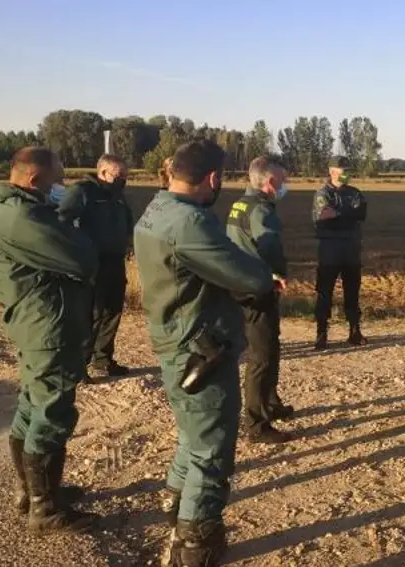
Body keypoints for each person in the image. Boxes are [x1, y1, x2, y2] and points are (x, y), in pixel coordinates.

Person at [133, 139, 275, 565]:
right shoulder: (190, 222)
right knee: (212, 447)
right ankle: (196, 543)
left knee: (192, 434)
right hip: (200, 346)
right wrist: (261, 273)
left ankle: (175, 504)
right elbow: (249, 277)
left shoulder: (156, 209)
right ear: (213, 178)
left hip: (174, 335)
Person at [0, 146, 98, 533]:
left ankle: (31, 491)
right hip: (48, 326)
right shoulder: (22, 216)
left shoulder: (16, 209)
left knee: (33, 403)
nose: (60, 184)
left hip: (38, 322)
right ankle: (44, 509)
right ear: (34, 180)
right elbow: (83, 260)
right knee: (52, 411)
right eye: (57, 178)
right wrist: (74, 219)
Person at [226, 156, 294, 444]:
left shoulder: (240, 203)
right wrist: (280, 273)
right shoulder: (262, 210)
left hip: (241, 282)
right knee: (262, 356)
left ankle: (271, 402)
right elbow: (269, 245)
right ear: (270, 182)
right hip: (258, 286)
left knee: (271, 345)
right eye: (282, 179)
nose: (284, 184)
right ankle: (256, 423)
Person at [58, 154, 134, 381]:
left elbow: (127, 221)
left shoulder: (117, 196)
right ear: (102, 173)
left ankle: (103, 359)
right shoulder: (82, 192)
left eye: (126, 176)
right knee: (90, 314)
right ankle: (79, 365)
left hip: (115, 261)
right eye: (119, 176)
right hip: (92, 263)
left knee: (113, 310)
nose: (124, 180)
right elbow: (61, 222)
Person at [312, 155, 368, 350]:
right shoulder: (323, 194)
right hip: (329, 251)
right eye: (344, 171)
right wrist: (348, 215)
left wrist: (338, 214)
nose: (347, 175)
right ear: (332, 171)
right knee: (324, 294)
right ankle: (321, 333)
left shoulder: (355, 193)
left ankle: (354, 331)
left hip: (351, 250)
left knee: (352, 293)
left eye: (349, 171)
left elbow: (361, 214)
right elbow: (324, 216)